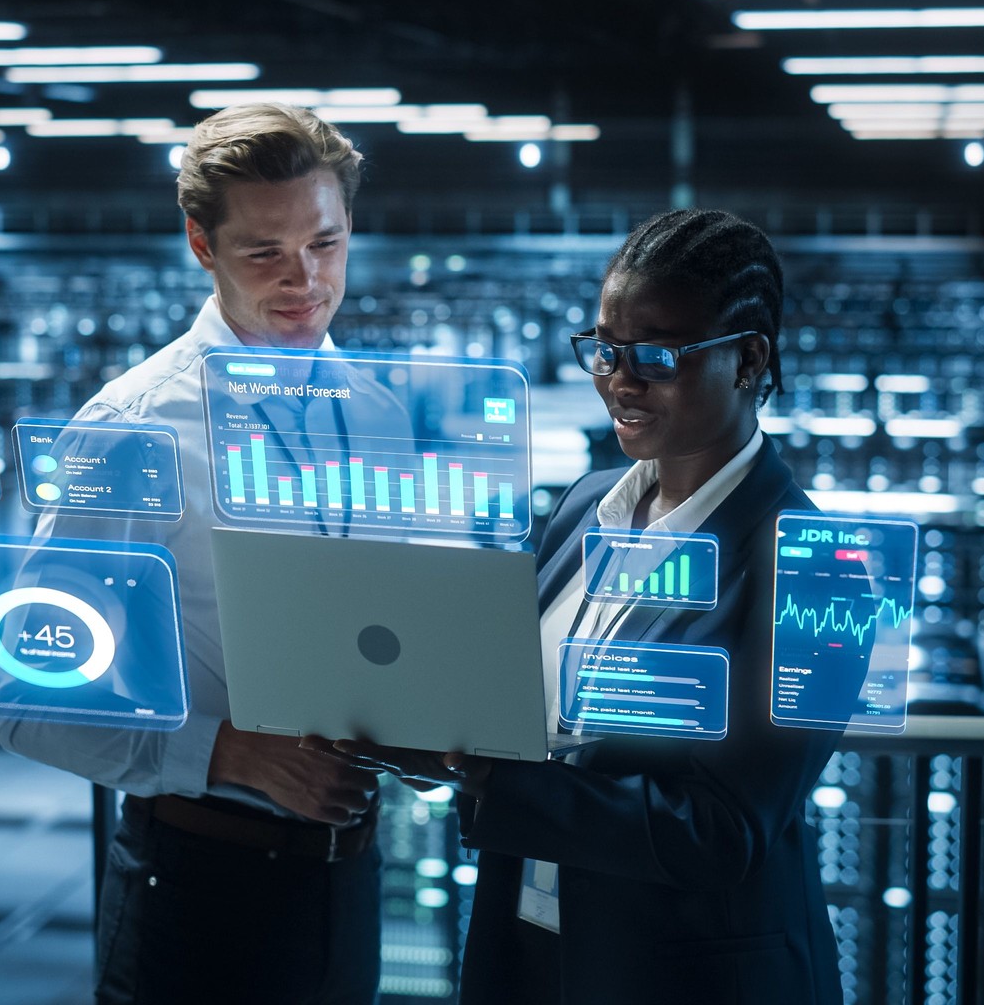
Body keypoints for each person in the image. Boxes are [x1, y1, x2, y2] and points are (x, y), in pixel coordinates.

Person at [320, 209, 843, 1004]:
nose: (619, 383)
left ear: (747, 360)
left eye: (657, 356)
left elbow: (720, 831)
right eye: (605, 350)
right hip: (534, 949)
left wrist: (492, 782)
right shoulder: (585, 506)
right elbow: (521, 710)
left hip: (687, 976)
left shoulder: (823, 571)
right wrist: (435, 732)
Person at [0, 102, 386, 1005]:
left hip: (346, 882)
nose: (305, 280)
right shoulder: (134, 431)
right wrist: (231, 754)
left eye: (325, 244)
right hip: (203, 888)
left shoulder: (374, 408)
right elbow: (27, 700)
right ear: (201, 247)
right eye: (264, 253)